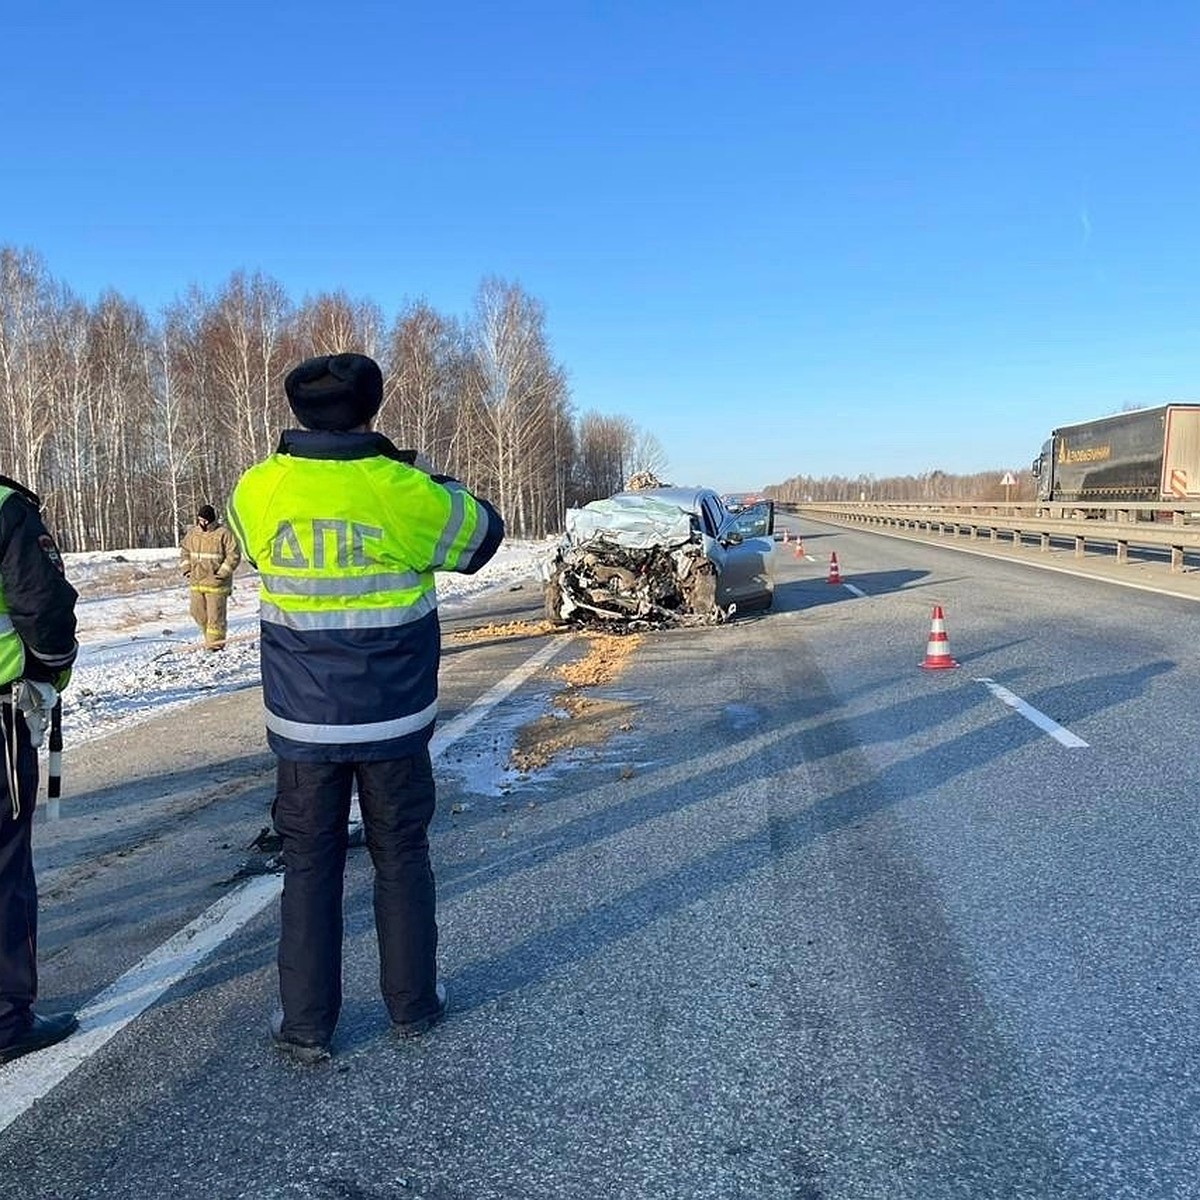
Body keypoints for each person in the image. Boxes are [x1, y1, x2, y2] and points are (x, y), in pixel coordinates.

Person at [227, 353, 504, 1063]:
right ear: (371, 409)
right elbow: (483, 538)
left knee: (308, 866)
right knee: (401, 857)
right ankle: (412, 1007)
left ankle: (306, 1027)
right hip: (394, 718)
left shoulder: (258, 488)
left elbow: (253, 545)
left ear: (297, 412)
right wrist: (432, 479)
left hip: (301, 718)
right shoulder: (400, 488)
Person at [0, 475, 80, 1064]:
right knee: (4, 867)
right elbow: (44, 607)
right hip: (1, 718)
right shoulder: (6, 509)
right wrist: (54, 672)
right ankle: (6, 1017)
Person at [180, 503, 241, 651]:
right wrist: (187, 569)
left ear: (211, 519)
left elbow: (234, 555)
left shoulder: (224, 533)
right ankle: (209, 639)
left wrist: (221, 574)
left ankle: (215, 647)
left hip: (217, 584)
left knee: (215, 617)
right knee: (197, 613)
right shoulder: (193, 533)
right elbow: (185, 551)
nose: (202, 523)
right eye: (200, 519)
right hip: (196, 582)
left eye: (205, 520)